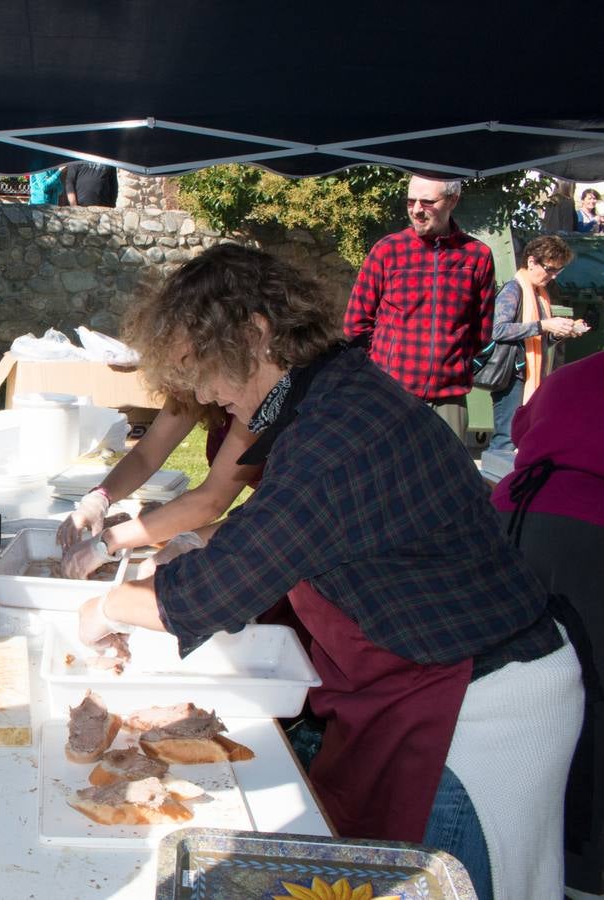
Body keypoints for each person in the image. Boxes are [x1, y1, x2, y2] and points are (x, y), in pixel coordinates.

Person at [80, 244, 583, 900]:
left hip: (480, 707)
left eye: (196, 368)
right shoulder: (333, 391)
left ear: (255, 333)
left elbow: (211, 596)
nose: (198, 392)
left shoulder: (332, 431)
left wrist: (101, 610)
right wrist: (210, 541)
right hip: (450, 670)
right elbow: (330, 527)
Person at [491, 352, 604, 899]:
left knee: (520, 686)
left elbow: (523, 427)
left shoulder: (577, 374)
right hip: (585, 530)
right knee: (588, 698)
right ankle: (582, 868)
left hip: (516, 518)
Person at [345, 176, 496, 442]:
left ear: (453, 200)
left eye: (427, 202)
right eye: (410, 201)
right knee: (386, 476)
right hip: (389, 394)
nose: (416, 210)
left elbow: (481, 330)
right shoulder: (388, 251)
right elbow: (356, 323)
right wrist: (376, 376)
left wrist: (455, 367)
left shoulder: (477, 255)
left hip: (449, 398)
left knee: (448, 480)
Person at [56, 397, 259, 579]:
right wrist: (100, 497)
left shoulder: (253, 399)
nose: (202, 394)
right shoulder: (196, 381)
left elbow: (212, 500)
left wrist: (106, 542)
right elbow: (145, 456)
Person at [486, 234, 590, 453]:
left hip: (527, 374)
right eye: (550, 269)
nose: (552, 276)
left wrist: (563, 331)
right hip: (512, 377)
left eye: (557, 271)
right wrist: (544, 325)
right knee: (506, 440)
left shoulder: (540, 294)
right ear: (531, 261)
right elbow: (498, 330)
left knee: (517, 438)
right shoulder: (513, 289)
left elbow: (541, 337)